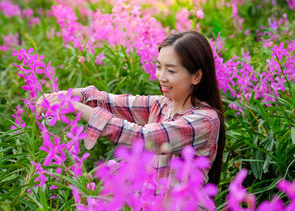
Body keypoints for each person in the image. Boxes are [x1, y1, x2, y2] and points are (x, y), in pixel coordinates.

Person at [36, 31, 225, 186]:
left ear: (196, 76)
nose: (161, 77)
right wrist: (73, 94)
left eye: (171, 70)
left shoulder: (205, 120)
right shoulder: (162, 105)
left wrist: (77, 108)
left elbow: (143, 138)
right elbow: (112, 101)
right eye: (159, 67)